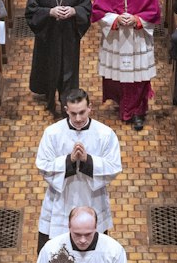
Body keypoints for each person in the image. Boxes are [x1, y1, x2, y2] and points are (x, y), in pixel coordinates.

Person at [36, 89, 121, 249]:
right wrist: (70, 160)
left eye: (82, 112)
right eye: (73, 113)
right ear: (66, 110)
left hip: (92, 199)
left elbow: (114, 166)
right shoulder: (52, 133)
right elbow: (43, 165)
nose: (78, 118)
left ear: (90, 107)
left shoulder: (105, 134)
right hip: (61, 200)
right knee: (55, 255)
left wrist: (87, 160)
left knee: (94, 252)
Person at [93, 0, 161, 129]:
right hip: (116, 39)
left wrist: (137, 20)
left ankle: (137, 111)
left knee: (137, 79)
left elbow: (154, 13)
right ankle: (122, 104)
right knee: (119, 78)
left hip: (137, 39)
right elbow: (98, 12)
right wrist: (114, 19)